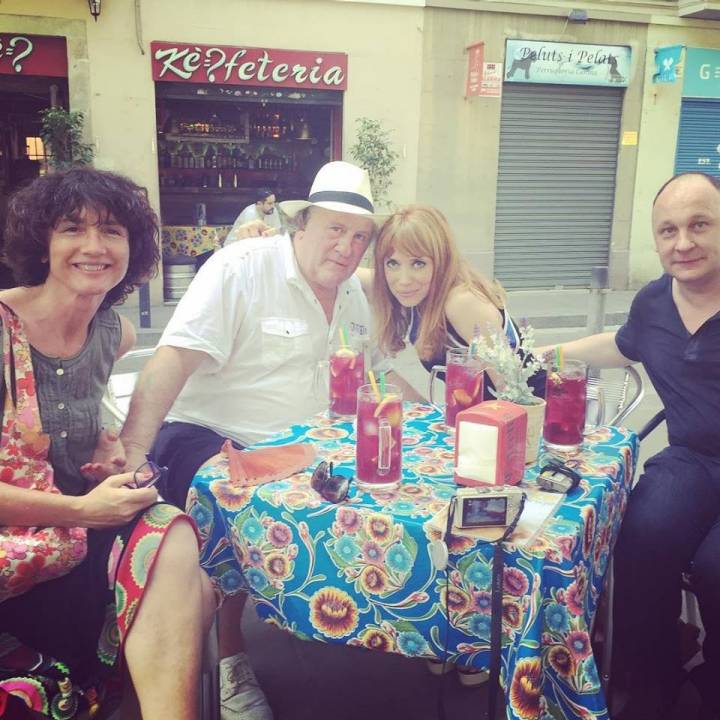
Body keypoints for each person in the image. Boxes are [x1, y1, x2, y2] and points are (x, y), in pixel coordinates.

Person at [118, 160, 405, 720]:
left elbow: (381, 369)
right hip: (212, 437)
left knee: (383, 487)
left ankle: (351, 612)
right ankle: (230, 658)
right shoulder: (242, 266)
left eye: (359, 236)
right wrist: (132, 451)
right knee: (238, 497)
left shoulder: (353, 293)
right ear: (302, 225)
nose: (346, 247)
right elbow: (173, 358)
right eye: (334, 229)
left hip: (307, 443)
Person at [0, 167, 216, 719]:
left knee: (174, 538)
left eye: (112, 231)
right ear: (41, 243)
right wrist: (81, 509)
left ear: (132, 249)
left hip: (74, 525)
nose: (94, 246)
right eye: (73, 228)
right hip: (34, 532)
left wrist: (106, 449)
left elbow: (75, 416)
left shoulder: (112, 332)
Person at [548, 172, 720, 720]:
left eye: (700, 225)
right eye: (668, 230)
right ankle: (651, 682)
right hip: (691, 459)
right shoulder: (653, 304)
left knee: (717, 567)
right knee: (640, 535)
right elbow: (622, 345)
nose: (683, 243)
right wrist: (545, 355)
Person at [359, 204, 545, 401]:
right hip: (482, 417)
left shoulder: (461, 302)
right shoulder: (412, 291)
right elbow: (345, 273)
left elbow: (514, 393)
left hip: (536, 414)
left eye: (418, 263)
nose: (403, 280)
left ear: (442, 261)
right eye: (392, 263)